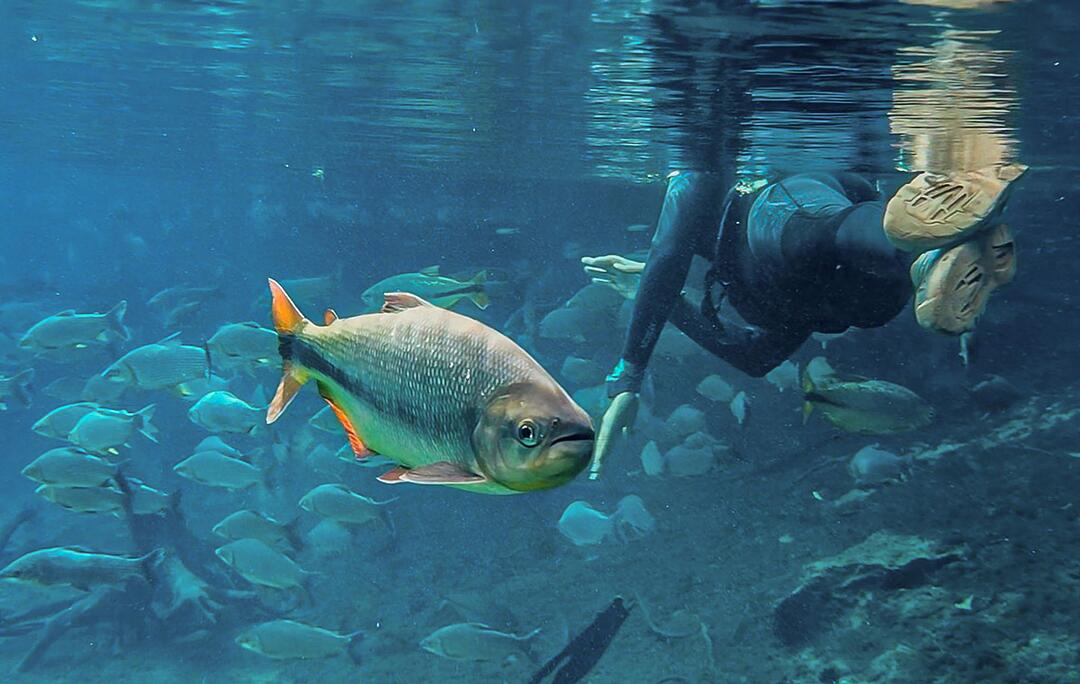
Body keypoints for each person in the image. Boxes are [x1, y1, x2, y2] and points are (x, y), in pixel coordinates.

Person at [583, 164, 1027, 476]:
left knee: (818, 231)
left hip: (799, 223)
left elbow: (667, 255)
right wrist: (669, 302)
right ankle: (932, 256)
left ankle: (924, 237)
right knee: (830, 243)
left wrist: (628, 379)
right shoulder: (758, 279)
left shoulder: (696, 173)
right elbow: (755, 358)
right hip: (856, 293)